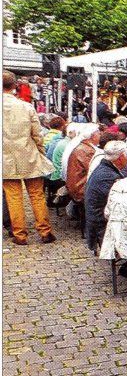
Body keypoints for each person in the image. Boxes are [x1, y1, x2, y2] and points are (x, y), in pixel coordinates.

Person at [2, 70, 55, 245]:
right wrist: (40, 151)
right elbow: (37, 134)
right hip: (28, 154)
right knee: (36, 195)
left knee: (14, 197)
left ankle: (20, 235)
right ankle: (45, 231)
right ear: (15, 86)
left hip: (5, 158)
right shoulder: (26, 106)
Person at [83, 139, 127, 251]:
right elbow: (120, 203)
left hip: (96, 215)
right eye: (126, 155)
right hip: (101, 221)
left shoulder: (103, 167)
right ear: (120, 158)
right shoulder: (108, 176)